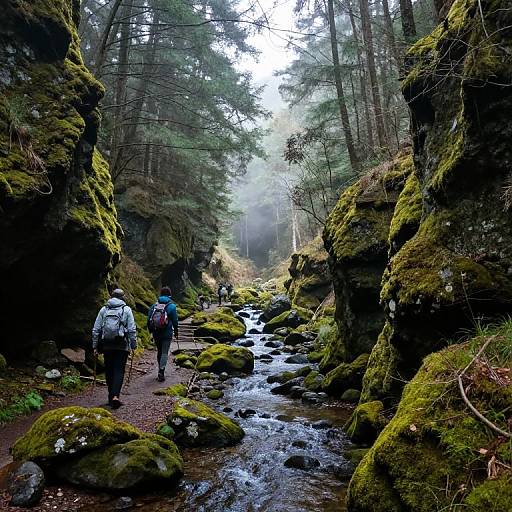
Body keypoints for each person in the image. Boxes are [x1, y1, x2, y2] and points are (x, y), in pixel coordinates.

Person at [92, 288, 137, 409]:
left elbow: (96, 330)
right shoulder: (126, 309)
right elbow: (132, 329)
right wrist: (133, 345)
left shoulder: (104, 309)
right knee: (119, 370)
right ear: (122, 298)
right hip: (122, 345)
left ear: (111, 297)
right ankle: (115, 396)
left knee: (109, 370)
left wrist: (95, 346)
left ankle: (110, 396)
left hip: (107, 344)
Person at [147, 286, 179, 382]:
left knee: (159, 351)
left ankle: (160, 370)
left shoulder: (154, 306)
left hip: (156, 332)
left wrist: (151, 331)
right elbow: (175, 320)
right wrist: (176, 331)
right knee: (165, 352)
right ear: (170, 294)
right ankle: (161, 371)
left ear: (160, 294)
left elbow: (149, 320)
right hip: (167, 333)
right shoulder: (172, 306)